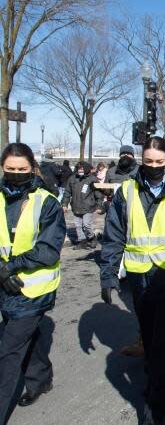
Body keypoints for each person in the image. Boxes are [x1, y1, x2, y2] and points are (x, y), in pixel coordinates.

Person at [99, 136, 165, 425]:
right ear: (142, 160)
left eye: (159, 162)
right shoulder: (127, 191)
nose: (154, 167)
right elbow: (114, 234)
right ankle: (155, 374)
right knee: (148, 333)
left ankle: (157, 404)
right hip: (138, 278)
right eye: (149, 162)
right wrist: (107, 275)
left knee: (162, 339)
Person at [0, 143, 66, 424]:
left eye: (22, 169)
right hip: (4, 286)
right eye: (10, 169)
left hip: (33, 290)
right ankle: (40, 379)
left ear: (32, 169)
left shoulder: (46, 202)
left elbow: (48, 248)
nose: (16, 174)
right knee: (31, 336)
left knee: (7, 352)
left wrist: (10, 267)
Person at [62, 161, 103, 250]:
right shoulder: (72, 179)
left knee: (86, 224)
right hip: (76, 206)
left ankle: (92, 238)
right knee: (78, 226)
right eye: (79, 168)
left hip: (88, 206)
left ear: (86, 169)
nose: (80, 170)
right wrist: (64, 204)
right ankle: (82, 241)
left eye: (82, 168)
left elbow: (98, 194)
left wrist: (99, 206)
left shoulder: (92, 179)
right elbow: (67, 192)